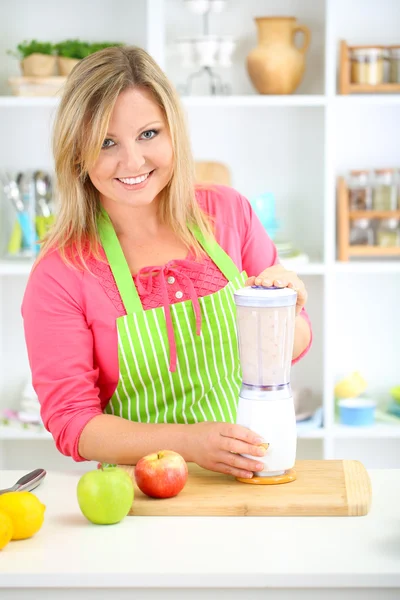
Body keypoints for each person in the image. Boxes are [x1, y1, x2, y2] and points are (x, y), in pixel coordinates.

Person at [22, 46, 312, 480]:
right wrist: (188, 443)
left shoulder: (228, 214)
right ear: (77, 153)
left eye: (149, 134)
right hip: (138, 500)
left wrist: (284, 306)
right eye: (106, 142)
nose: (133, 161)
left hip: (254, 480)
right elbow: (73, 424)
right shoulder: (61, 272)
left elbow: (296, 344)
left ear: (174, 131)